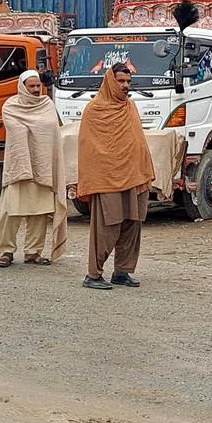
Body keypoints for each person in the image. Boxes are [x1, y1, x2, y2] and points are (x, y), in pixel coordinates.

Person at [76, 64, 154, 290]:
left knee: (133, 224)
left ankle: (123, 271)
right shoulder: (95, 110)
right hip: (107, 177)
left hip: (135, 175)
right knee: (107, 226)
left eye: (128, 82)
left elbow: (137, 140)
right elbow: (90, 148)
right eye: (121, 81)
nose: (125, 87)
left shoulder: (130, 106)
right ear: (110, 81)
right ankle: (94, 274)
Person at [0, 70, 68, 267]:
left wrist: (34, 131)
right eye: (32, 86)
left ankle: (33, 252)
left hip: (43, 166)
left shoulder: (47, 105)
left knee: (40, 212)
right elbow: (17, 132)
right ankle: (6, 251)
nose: (36, 90)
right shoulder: (11, 106)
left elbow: (51, 131)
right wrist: (37, 131)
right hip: (20, 168)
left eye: (38, 86)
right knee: (10, 212)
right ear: (22, 87)